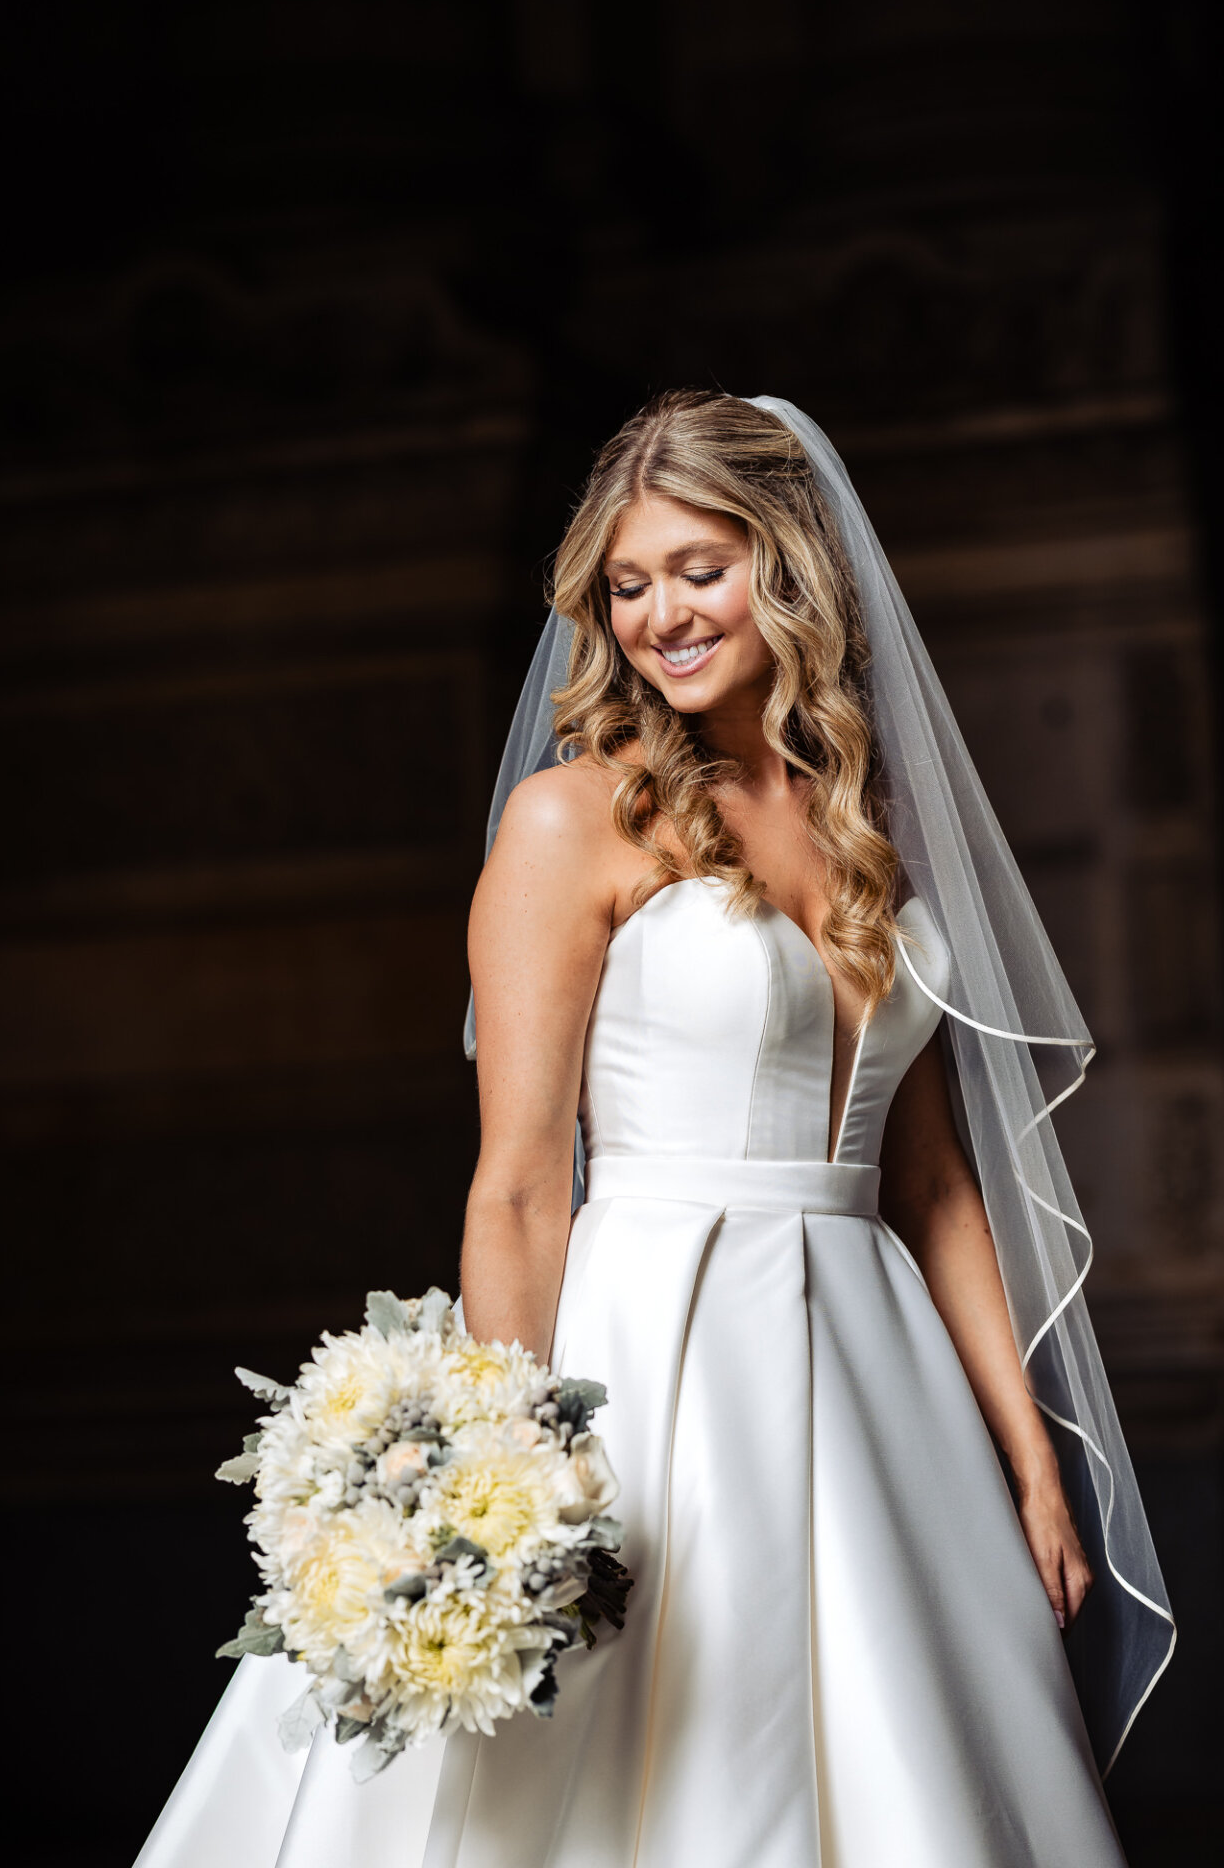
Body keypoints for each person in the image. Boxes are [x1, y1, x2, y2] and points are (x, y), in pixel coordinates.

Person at [136, 391, 1172, 1867]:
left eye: (700, 568)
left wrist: (1029, 1461)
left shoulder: (865, 825)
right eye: (628, 585)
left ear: (791, 569)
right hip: (654, 1359)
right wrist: (504, 1482)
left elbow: (935, 1184)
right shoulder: (573, 823)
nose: (661, 616)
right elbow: (515, 1190)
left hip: (882, 1379)